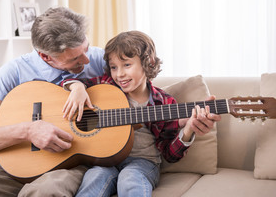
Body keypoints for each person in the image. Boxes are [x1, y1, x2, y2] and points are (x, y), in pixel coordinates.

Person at [0, 7, 106, 197]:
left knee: (43, 191)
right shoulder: (14, 71)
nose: (86, 60)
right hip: (19, 165)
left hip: (70, 164)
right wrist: (28, 130)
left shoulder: (98, 59)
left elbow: (140, 86)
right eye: (75, 58)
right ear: (45, 56)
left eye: (86, 48)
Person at [61, 30, 221, 197]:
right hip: (105, 160)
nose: (119, 74)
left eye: (127, 65)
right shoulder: (106, 86)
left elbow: (170, 154)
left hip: (143, 162)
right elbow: (66, 82)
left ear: (148, 63)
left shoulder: (163, 102)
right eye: (114, 67)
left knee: (130, 178)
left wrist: (188, 130)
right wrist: (77, 87)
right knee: (94, 177)